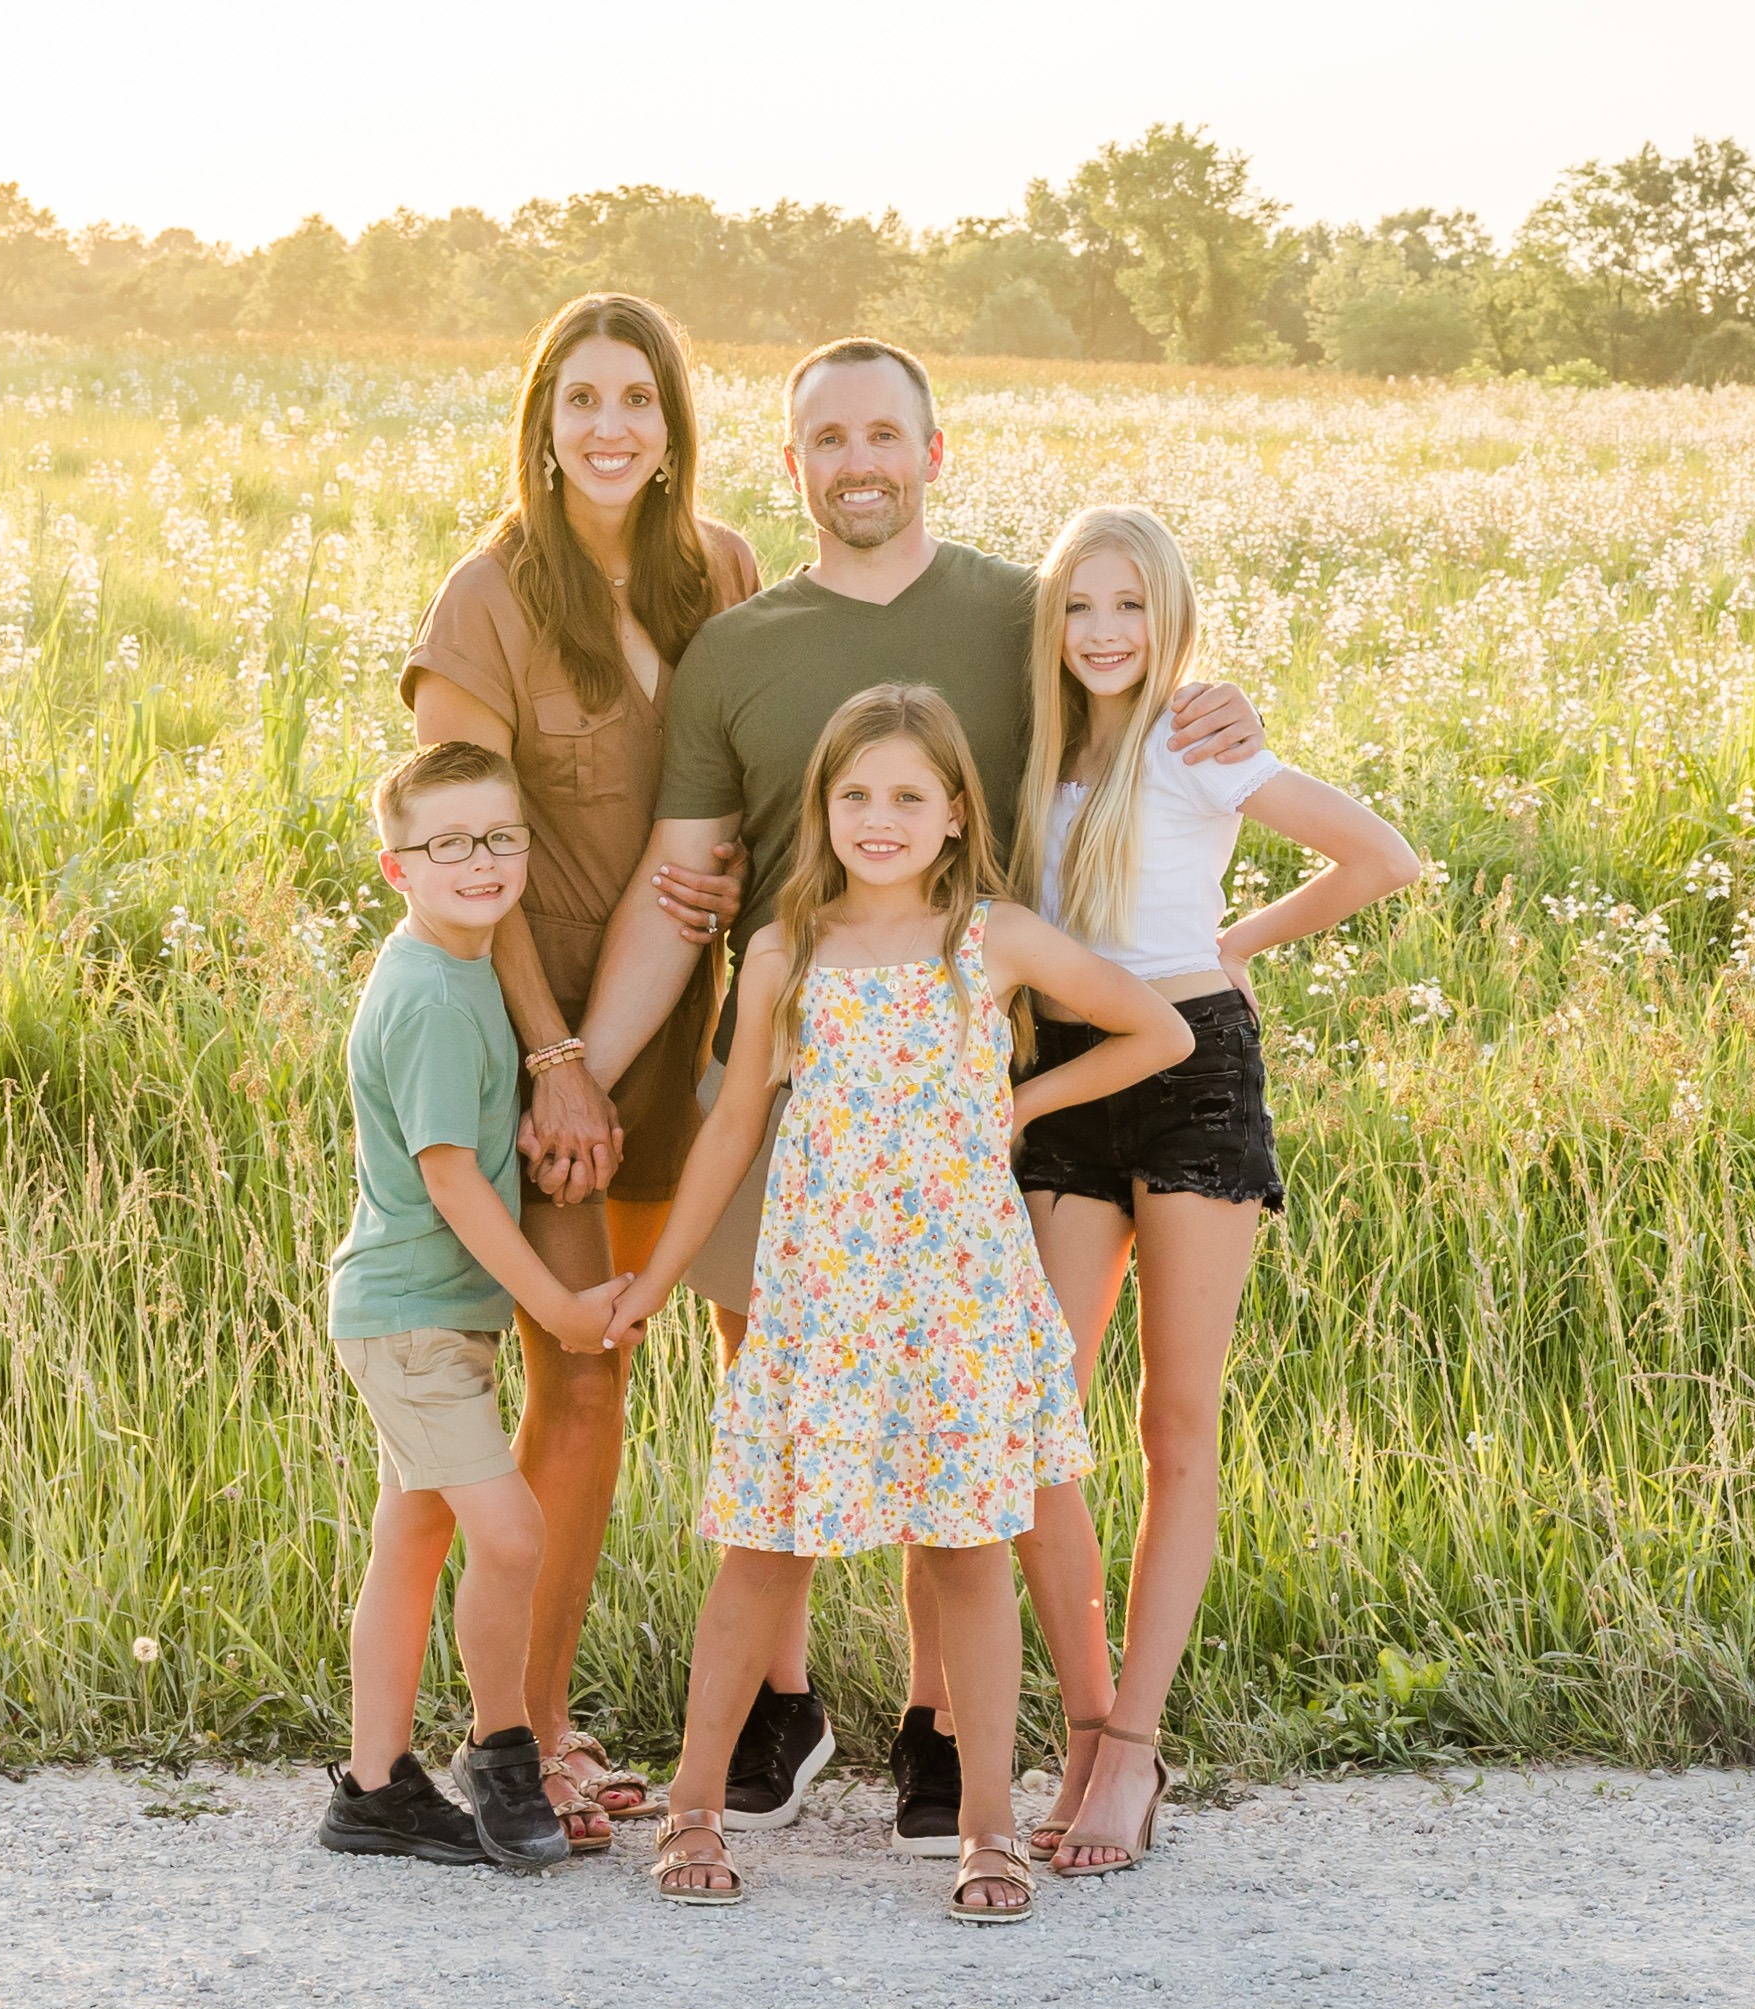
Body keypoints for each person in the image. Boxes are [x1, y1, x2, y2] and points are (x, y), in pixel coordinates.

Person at [570, 336, 1259, 1845]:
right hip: (807, 1081)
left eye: (886, 432)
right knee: (802, 1415)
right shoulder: (741, 649)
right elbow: (682, 880)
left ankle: (958, 1735)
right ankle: (780, 1708)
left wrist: (1225, 716)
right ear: (796, 459)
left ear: (933, 452)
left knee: (971, 1438)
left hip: (982, 1084)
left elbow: (1126, 682)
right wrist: (578, 1065)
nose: (859, 460)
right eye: (829, 438)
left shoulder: (1017, 612)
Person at [604, 685, 1190, 1923]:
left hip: (958, 1301)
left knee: (968, 1549)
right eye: (854, 794)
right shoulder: (785, 947)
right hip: (820, 1298)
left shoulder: (993, 938)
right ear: (822, 808)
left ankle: (987, 1826)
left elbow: (1157, 1030)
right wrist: (654, 1278)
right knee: (763, 1550)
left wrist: (1022, 1106)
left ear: (953, 811)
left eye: (907, 796)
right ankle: (694, 1804)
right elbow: (729, 1137)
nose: (879, 817)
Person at [1003, 505, 1422, 1876]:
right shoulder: (1034, 757)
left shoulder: (1197, 746)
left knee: (1173, 1421)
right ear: (1051, 625)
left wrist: (1234, 938)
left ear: (1169, 617)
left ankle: (1133, 1743)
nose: (1105, 632)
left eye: (1129, 606)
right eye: (1079, 607)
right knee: (1033, 1424)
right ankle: (1077, 1715)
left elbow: (1376, 856)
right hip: (1067, 1076)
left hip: (1194, 1074)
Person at [399, 293, 763, 1848]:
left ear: (673, 423)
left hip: (698, 1021)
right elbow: (466, 846)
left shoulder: (725, 573)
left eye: (639, 398)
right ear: (541, 420)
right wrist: (553, 1058)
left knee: (751, 1351)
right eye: (582, 398)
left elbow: (767, 778)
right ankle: (528, 1727)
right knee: (582, 1368)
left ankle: (767, 1713)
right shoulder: (486, 596)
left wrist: (752, 878)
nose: (611, 426)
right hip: (533, 1024)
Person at [316, 741, 631, 1873]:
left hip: (428, 1315)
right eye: (448, 843)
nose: (481, 860)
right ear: (397, 867)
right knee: (510, 1530)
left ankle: (371, 1783)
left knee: (412, 1535)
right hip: (410, 1319)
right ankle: (503, 1749)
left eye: (501, 836)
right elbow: (450, 1174)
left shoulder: (461, 961)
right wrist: (558, 1302)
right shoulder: (435, 996)